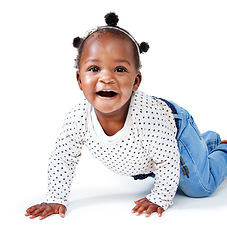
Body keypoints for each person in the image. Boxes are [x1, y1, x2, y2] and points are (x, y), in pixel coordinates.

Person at [25, 12, 227, 220]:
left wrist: (159, 197)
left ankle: (223, 149)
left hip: (176, 134)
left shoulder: (147, 117)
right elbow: (63, 158)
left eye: (120, 69)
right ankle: (206, 142)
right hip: (153, 149)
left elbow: (167, 161)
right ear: (79, 79)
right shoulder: (78, 117)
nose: (106, 78)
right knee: (182, 165)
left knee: (200, 188)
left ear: (136, 81)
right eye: (94, 68)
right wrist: (55, 198)